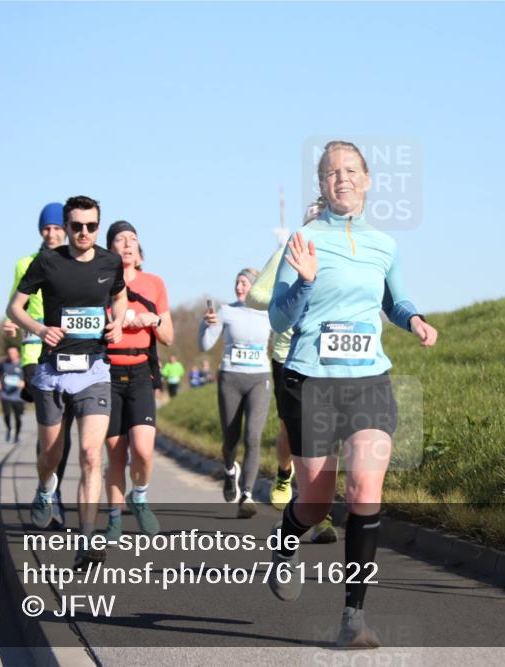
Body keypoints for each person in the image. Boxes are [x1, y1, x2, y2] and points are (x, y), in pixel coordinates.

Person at [267, 141, 438, 648]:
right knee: (317, 504)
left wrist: (414, 319)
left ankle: (353, 616)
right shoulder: (303, 240)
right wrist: (303, 282)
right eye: (330, 173)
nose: (340, 179)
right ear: (321, 184)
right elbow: (279, 317)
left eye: (349, 171)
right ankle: (285, 539)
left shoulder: (385, 245)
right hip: (312, 382)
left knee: (364, 490)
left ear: (366, 181)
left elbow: (394, 297)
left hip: (368, 380)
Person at [7, 195, 126, 570]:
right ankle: (45, 490)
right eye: (76, 226)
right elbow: (14, 308)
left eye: (91, 226)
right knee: (52, 456)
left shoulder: (110, 261)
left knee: (91, 455)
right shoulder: (48, 261)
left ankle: (87, 538)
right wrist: (41, 330)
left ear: (97, 225)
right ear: (68, 226)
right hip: (52, 372)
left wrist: (118, 322)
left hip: (93, 370)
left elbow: (119, 296)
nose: (84, 233)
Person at [246, 203, 337, 541]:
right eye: (315, 217)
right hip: (290, 355)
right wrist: (291, 296)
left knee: (327, 438)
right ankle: (286, 479)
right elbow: (255, 295)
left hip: (330, 358)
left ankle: (319, 514)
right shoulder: (288, 249)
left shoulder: (340, 254)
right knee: (294, 435)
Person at [3, 203, 72, 528]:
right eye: (47, 228)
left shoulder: (77, 263)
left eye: (57, 227)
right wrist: (12, 323)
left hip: (70, 351)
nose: (52, 232)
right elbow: (15, 304)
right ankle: (49, 492)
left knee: (64, 432)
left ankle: (50, 490)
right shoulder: (25, 263)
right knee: (50, 426)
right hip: (35, 351)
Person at [103, 221, 173, 541]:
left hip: (142, 372)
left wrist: (154, 320)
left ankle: (140, 495)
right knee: (116, 453)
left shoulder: (154, 283)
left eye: (133, 239)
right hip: (107, 374)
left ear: (139, 251)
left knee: (143, 450)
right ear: (110, 249)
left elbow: (169, 337)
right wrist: (116, 322)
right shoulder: (100, 282)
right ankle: (114, 520)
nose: (128, 244)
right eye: (120, 239)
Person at [198, 269, 272, 518]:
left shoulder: (268, 312)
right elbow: (205, 345)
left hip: (259, 379)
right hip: (230, 378)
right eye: (237, 283)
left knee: (253, 435)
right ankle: (230, 471)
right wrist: (204, 324)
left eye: (244, 283)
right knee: (231, 439)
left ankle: (247, 495)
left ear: (255, 287)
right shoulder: (226, 311)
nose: (239, 287)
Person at [0, 344, 26, 444]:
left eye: (13, 353)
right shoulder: (3, 364)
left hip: (18, 395)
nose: (11, 355)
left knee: (18, 417)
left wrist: (24, 383)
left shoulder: (22, 364)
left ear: (17, 353)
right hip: (5, 394)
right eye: (9, 353)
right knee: (7, 414)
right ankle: (8, 429)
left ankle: (17, 436)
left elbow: (28, 377)